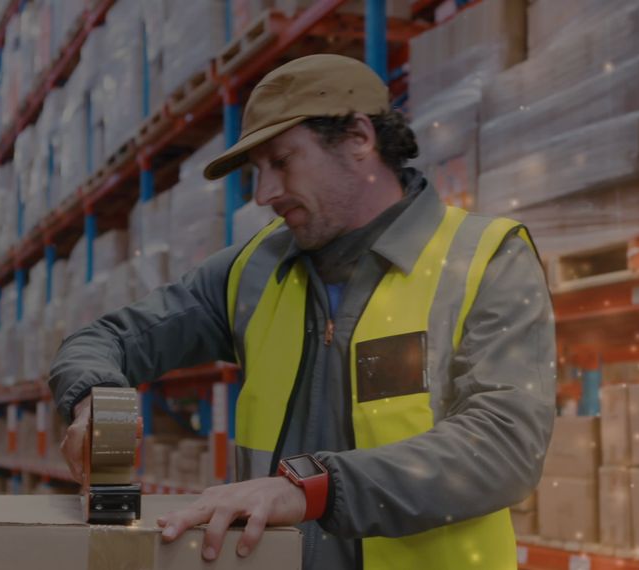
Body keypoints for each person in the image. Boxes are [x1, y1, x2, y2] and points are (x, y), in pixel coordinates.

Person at [49, 53, 555, 570]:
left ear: (359, 138)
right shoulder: (249, 272)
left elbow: (504, 447)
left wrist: (312, 489)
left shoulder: (485, 260)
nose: (265, 194)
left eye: (282, 162)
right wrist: (93, 397)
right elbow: (107, 337)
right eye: (256, 172)